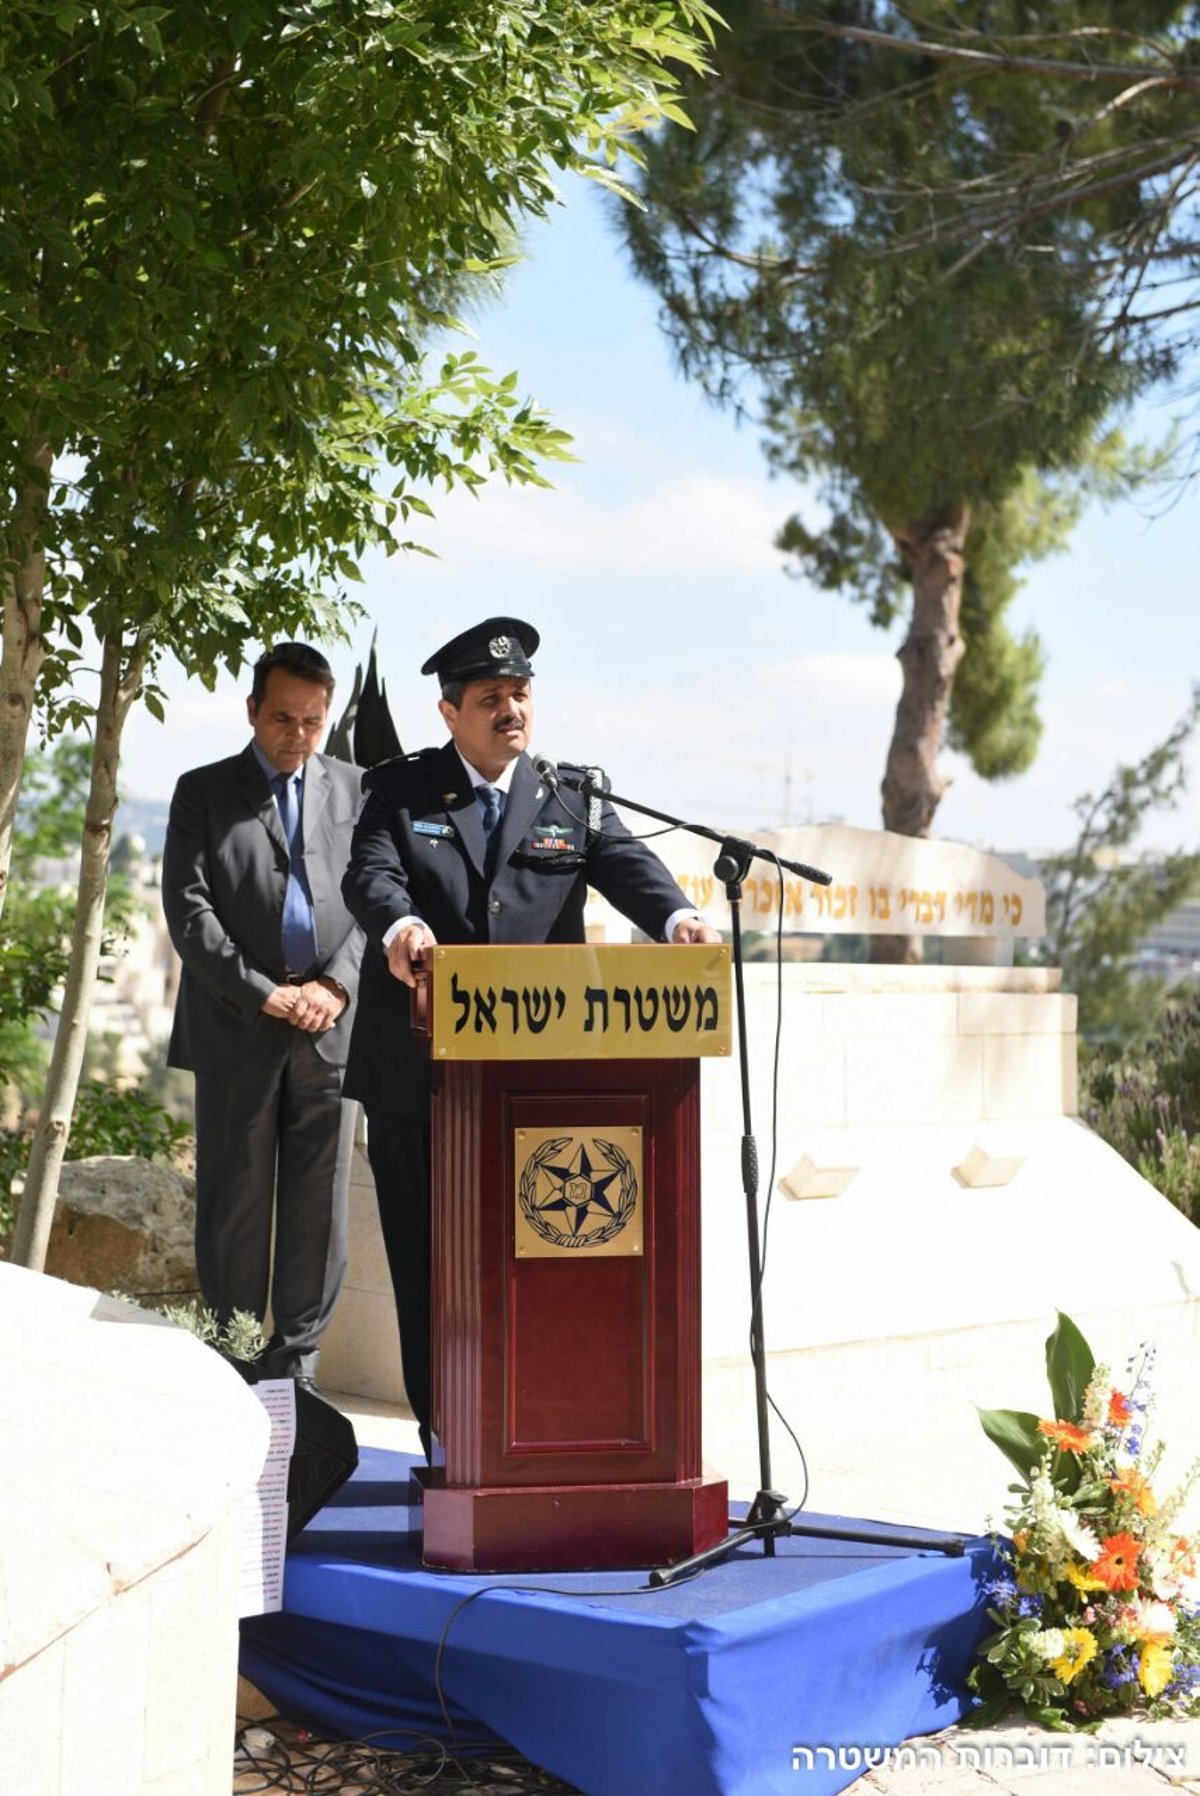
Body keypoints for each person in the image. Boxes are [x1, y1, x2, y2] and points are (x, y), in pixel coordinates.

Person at [341, 616, 719, 1453]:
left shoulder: (569, 792)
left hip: (548, 1075)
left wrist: (679, 917)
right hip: (422, 1074)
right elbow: (371, 876)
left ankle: (546, 1431)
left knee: (551, 1251)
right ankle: (448, 1438)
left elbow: (626, 865)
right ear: (450, 713)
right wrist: (402, 930)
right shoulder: (400, 791)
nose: (511, 710)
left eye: (520, 695)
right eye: (490, 698)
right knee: (430, 1262)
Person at [162, 642, 365, 1387]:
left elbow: (380, 902)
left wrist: (336, 986)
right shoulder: (201, 792)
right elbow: (188, 911)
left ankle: (297, 1368)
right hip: (236, 1024)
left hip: (331, 1031)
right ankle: (235, 1362)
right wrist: (261, 990)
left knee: (320, 1208)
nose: (297, 735)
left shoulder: (359, 790)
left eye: (313, 721)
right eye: (282, 718)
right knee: (233, 1206)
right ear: (251, 710)